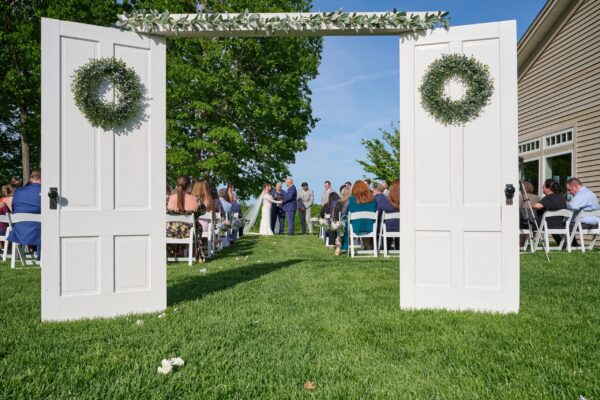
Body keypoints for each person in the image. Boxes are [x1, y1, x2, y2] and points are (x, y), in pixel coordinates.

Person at [7, 169, 42, 258]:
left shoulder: (18, 191)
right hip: (39, 232)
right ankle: (40, 255)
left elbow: (14, 209)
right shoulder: (44, 191)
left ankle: (39, 254)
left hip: (19, 231)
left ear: (31, 178)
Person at [167, 176, 199, 258]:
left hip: (169, 232)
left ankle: (173, 252)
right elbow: (202, 211)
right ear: (189, 186)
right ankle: (194, 252)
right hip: (187, 233)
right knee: (198, 225)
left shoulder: (168, 200)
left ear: (176, 185)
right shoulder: (195, 200)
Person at [531, 179, 568, 245]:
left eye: (543, 186)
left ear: (548, 188)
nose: (542, 188)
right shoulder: (562, 198)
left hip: (545, 225)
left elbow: (537, 206)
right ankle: (562, 245)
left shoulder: (549, 198)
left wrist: (531, 205)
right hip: (559, 224)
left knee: (526, 218)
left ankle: (524, 243)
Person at [566, 177, 600, 246]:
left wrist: (566, 204)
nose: (569, 192)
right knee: (566, 223)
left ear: (576, 186)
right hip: (593, 222)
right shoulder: (588, 192)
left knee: (561, 225)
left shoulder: (582, 194)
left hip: (587, 224)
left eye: (569, 190)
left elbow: (573, 206)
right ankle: (573, 245)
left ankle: (569, 246)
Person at [347, 180, 377, 250]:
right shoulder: (373, 199)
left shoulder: (351, 199)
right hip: (370, 227)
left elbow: (349, 212)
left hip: (355, 227)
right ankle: (368, 246)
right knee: (365, 221)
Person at [376, 179, 400, 250]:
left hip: (387, 229)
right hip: (403, 228)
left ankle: (386, 248)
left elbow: (378, 213)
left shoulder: (384, 202)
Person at [334, 186, 352, 256]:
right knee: (343, 225)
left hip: (342, 224)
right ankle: (348, 247)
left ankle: (338, 248)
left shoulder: (339, 203)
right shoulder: (352, 203)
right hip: (352, 224)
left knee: (341, 226)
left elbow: (335, 215)